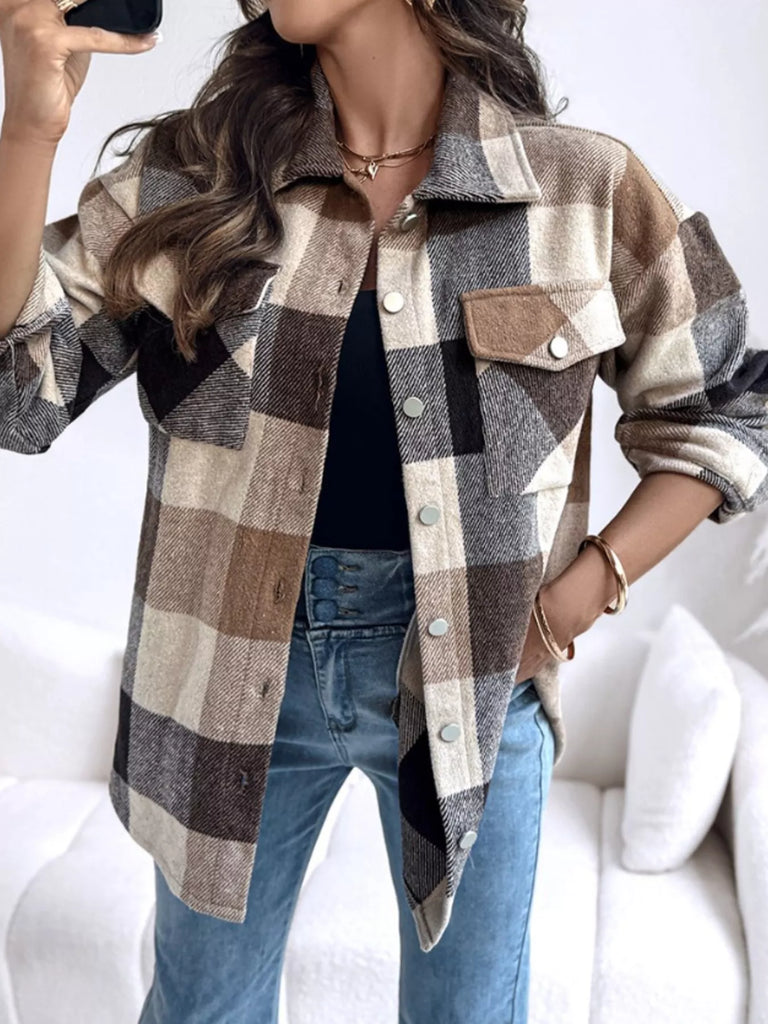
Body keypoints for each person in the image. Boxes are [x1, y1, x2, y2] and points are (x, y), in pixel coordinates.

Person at [1, 0, 767, 1020]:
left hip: (476, 681)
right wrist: (30, 129)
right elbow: (17, 395)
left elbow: (730, 404)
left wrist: (574, 601)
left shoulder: (582, 187)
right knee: (201, 1011)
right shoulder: (199, 175)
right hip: (227, 675)